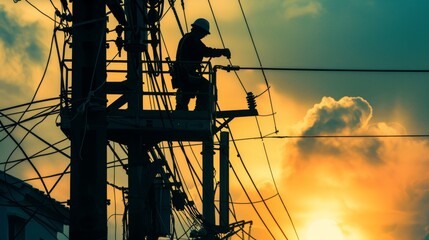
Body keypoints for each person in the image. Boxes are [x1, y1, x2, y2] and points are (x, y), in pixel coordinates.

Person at [173, 18, 231, 111]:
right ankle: (200, 110)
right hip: (186, 73)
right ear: (199, 30)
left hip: (183, 72)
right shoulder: (192, 40)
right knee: (207, 86)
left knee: (186, 93)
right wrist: (222, 52)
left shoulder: (188, 38)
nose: (204, 36)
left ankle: (181, 110)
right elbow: (205, 51)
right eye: (204, 33)